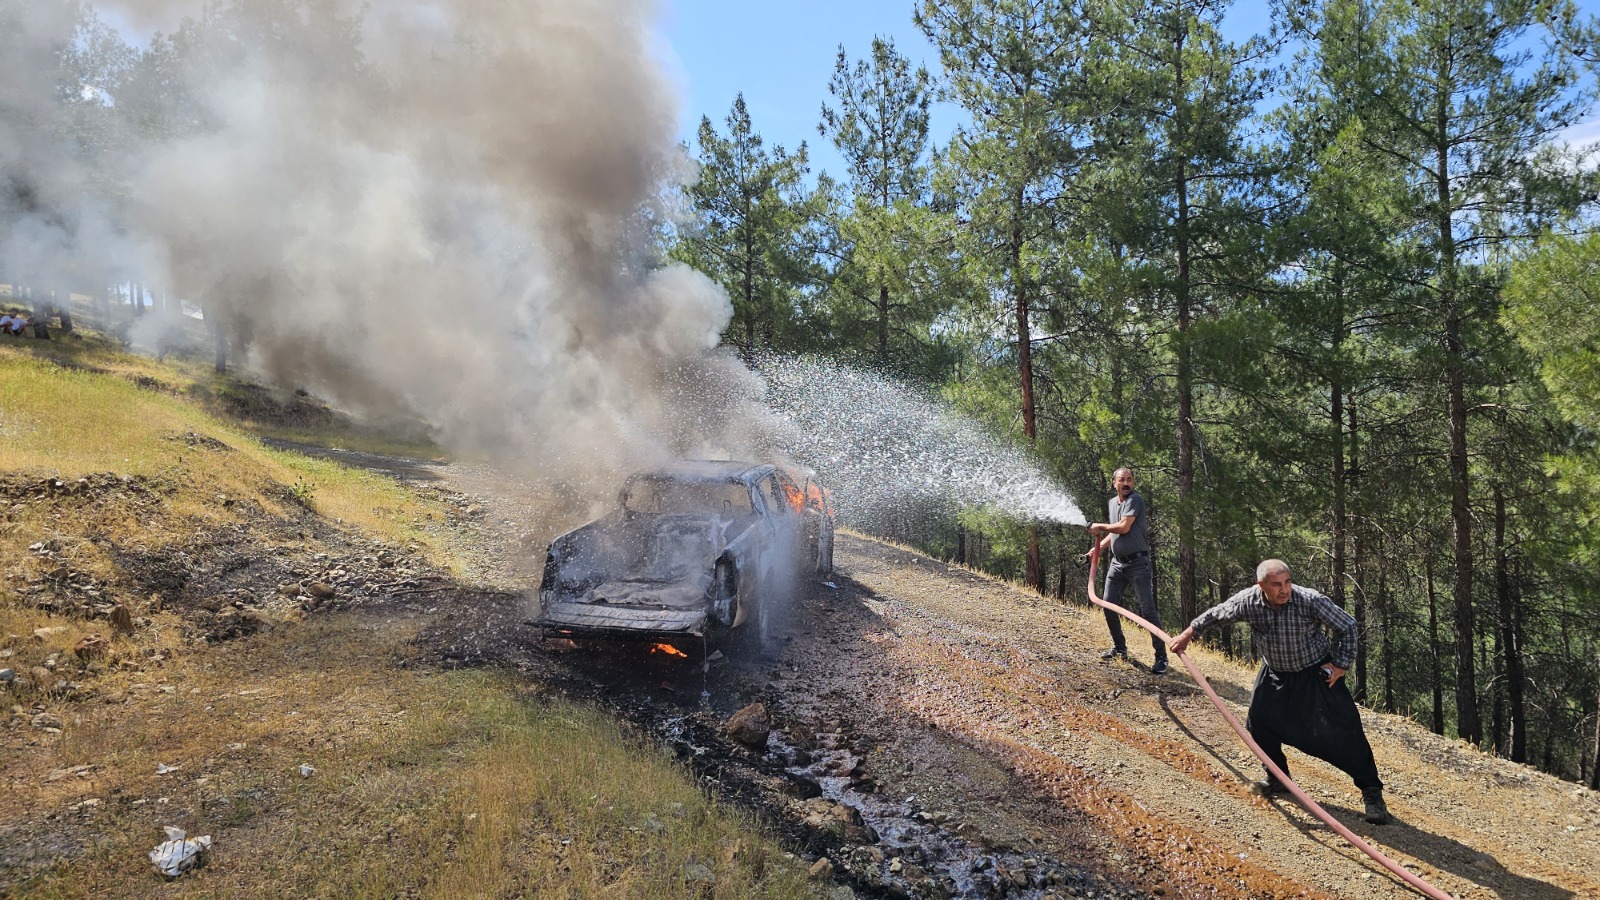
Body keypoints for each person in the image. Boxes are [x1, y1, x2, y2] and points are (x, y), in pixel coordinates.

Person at [1168, 559, 1391, 825]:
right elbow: (1217, 614)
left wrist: (1341, 664)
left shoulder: (1310, 600)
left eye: (1287, 582)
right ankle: (1277, 777)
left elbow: (1348, 626)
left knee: (1343, 733)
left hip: (1315, 675)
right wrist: (1187, 635)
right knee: (1259, 724)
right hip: (1275, 673)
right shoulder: (1248, 602)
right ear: (1261, 585)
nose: (1284, 589)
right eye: (1276, 584)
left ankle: (1372, 793)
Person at [1082, 466, 1167, 674]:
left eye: (1129, 479)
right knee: (1108, 605)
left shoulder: (1135, 500)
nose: (1126, 483)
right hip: (1117, 563)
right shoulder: (1113, 503)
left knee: (1147, 611)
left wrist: (1100, 526)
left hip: (1138, 564)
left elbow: (1123, 527)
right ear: (1114, 483)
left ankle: (1161, 658)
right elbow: (1115, 533)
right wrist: (1099, 547)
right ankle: (1120, 649)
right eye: (1122, 480)